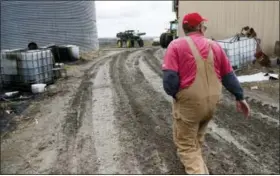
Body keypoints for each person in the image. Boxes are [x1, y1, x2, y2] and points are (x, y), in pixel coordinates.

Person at [162, 12, 250, 174]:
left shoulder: (176, 45)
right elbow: (228, 76)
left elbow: (169, 80)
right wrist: (240, 97)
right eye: (204, 25)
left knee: (186, 145)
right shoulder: (215, 46)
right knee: (197, 138)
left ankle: (197, 171)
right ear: (200, 27)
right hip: (211, 103)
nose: (205, 28)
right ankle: (200, 167)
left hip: (190, 104)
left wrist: (177, 95)